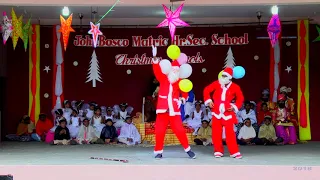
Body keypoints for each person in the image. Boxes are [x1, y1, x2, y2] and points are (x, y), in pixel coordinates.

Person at [151, 45, 196, 159]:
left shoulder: (180, 81)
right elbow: (156, 71)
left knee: (180, 131)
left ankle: (188, 150)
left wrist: (182, 98)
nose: (175, 72)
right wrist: (155, 58)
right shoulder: (163, 78)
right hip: (163, 109)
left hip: (174, 110)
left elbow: (185, 91)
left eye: (176, 70)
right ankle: (158, 152)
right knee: (160, 131)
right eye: (173, 70)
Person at [203, 67, 244, 159]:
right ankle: (218, 150)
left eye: (225, 76)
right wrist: (209, 101)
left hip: (227, 112)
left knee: (230, 133)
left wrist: (234, 107)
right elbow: (206, 90)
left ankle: (234, 151)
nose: (222, 77)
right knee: (216, 133)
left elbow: (240, 98)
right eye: (222, 75)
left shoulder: (235, 87)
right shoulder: (217, 83)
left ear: (229, 77)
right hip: (216, 111)